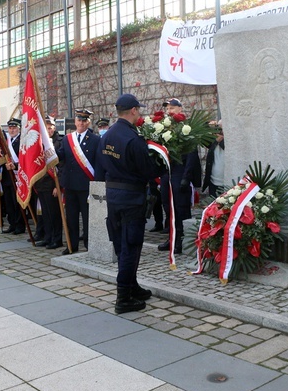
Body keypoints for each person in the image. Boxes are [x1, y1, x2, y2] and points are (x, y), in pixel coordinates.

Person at [95, 94, 165, 314]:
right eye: (139, 110)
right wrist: (162, 164)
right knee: (131, 247)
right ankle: (123, 297)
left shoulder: (108, 136)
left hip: (113, 196)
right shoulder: (133, 139)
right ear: (133, 110)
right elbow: (148, 171)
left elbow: (101, 167)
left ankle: (131, 285)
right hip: (131, 198)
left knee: (121, 244)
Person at [158, 97, 201, 254]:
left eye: (172, 108)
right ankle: (172, 238)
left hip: (180, 173)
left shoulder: (187, 127)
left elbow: (191, 155)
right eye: (167, 109)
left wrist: (186, 177)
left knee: (181, 209)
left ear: (180, 109)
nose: (169, 111)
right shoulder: (163, 128)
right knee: (168, 208)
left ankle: (184, 240)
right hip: (167, 174)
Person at [57, 108, 99, 254]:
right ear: (75, 121)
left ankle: (89, 245)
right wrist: (50, 152)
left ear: (89, 122)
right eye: (79, 120)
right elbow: (61, 156)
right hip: (70, 185)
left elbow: (98, 163)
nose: (81, 123)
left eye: (84, 120)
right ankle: (71, 245)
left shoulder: (95, 139)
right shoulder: (68, 139)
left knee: (88, 218)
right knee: (71, 218)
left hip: (86, 185)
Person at [1, 119, 26, 234]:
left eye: (14, 128)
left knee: (17, 202)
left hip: (18, 176)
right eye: (10, 128)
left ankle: (20, 226)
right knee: (9, 202)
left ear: (19, 128)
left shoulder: (23, 141)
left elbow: (25, 159)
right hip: (7, 176)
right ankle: (12, 224)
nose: (12, 130)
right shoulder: (6, 141)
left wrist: (15, 166)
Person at [202, 120, 225, 197]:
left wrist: (219, 140)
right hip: (213, 181)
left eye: (221, 129)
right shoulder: (214, 141)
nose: (219, 131)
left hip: (226, 183)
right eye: (218, 128)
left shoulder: (232, 142)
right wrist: (207, 125)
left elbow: (225, 146)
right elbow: (202, 140)